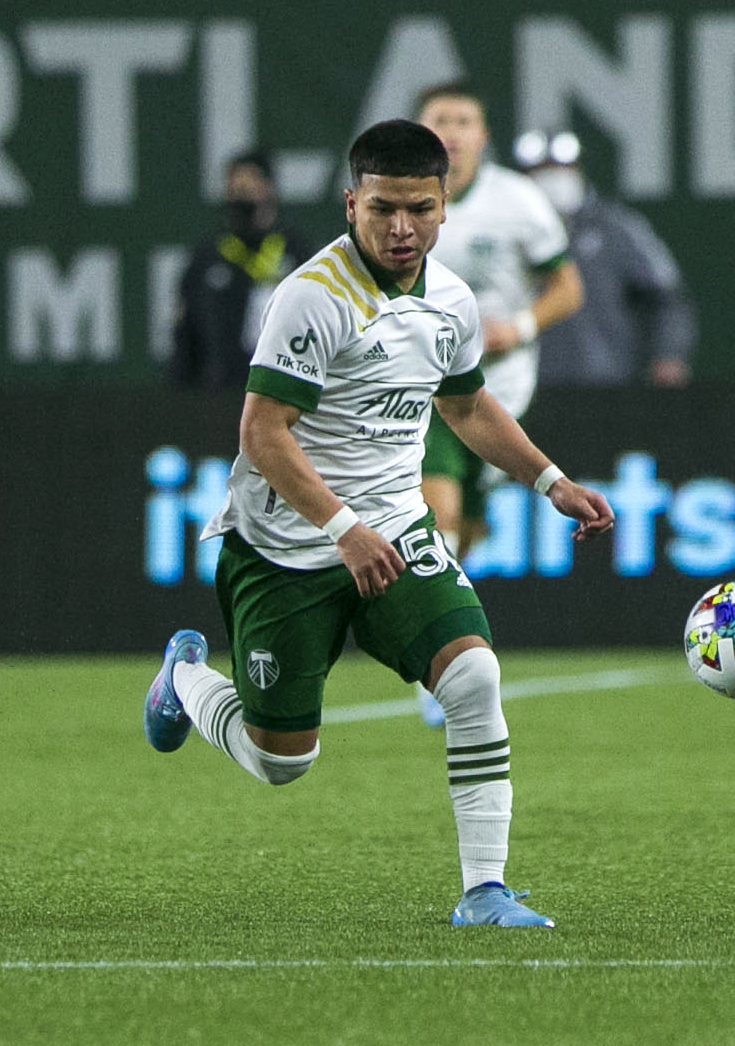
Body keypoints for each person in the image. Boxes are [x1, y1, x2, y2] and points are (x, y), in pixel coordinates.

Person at [141, 119, 614, 928]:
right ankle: (185, 679)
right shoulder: (311, 298)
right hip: (284, 548)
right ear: (350, 203)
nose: (402, 228)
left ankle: (484, 892)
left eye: (421, 209)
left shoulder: (452, 301)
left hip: (397, 529)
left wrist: (548, 479)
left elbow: (464, 405)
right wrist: (339, 529)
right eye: (384, 209)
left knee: (473, 676)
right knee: (280, 762)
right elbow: (262, 434)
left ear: (445, 204)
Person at [410, 82, 584, 728]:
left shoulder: (519, 202)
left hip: (502, 390)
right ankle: (440, 665)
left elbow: (567, 286)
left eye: (464, 119)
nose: (452, 130)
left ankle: (432, 628)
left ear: (484, 135)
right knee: (439, 511)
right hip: (425, 386)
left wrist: (523, 326)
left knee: (468, 529)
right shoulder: (405, 203)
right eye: (439, 120)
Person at [512, 129, 697, 389]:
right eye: (540, 170)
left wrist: (669, 355)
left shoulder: (616, 228)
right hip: (520, 386)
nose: (552, 178)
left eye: (562, 168)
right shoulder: (503, 230)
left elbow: (666, 298)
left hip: (605, 389)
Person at [170, 149, 311, 391]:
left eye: (249, 191)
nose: (241, 202)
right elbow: (186, 334)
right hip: (221, 391)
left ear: (269, 190)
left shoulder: (296, 253)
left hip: (281, 390)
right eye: (235, 192)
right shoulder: (209, 256)